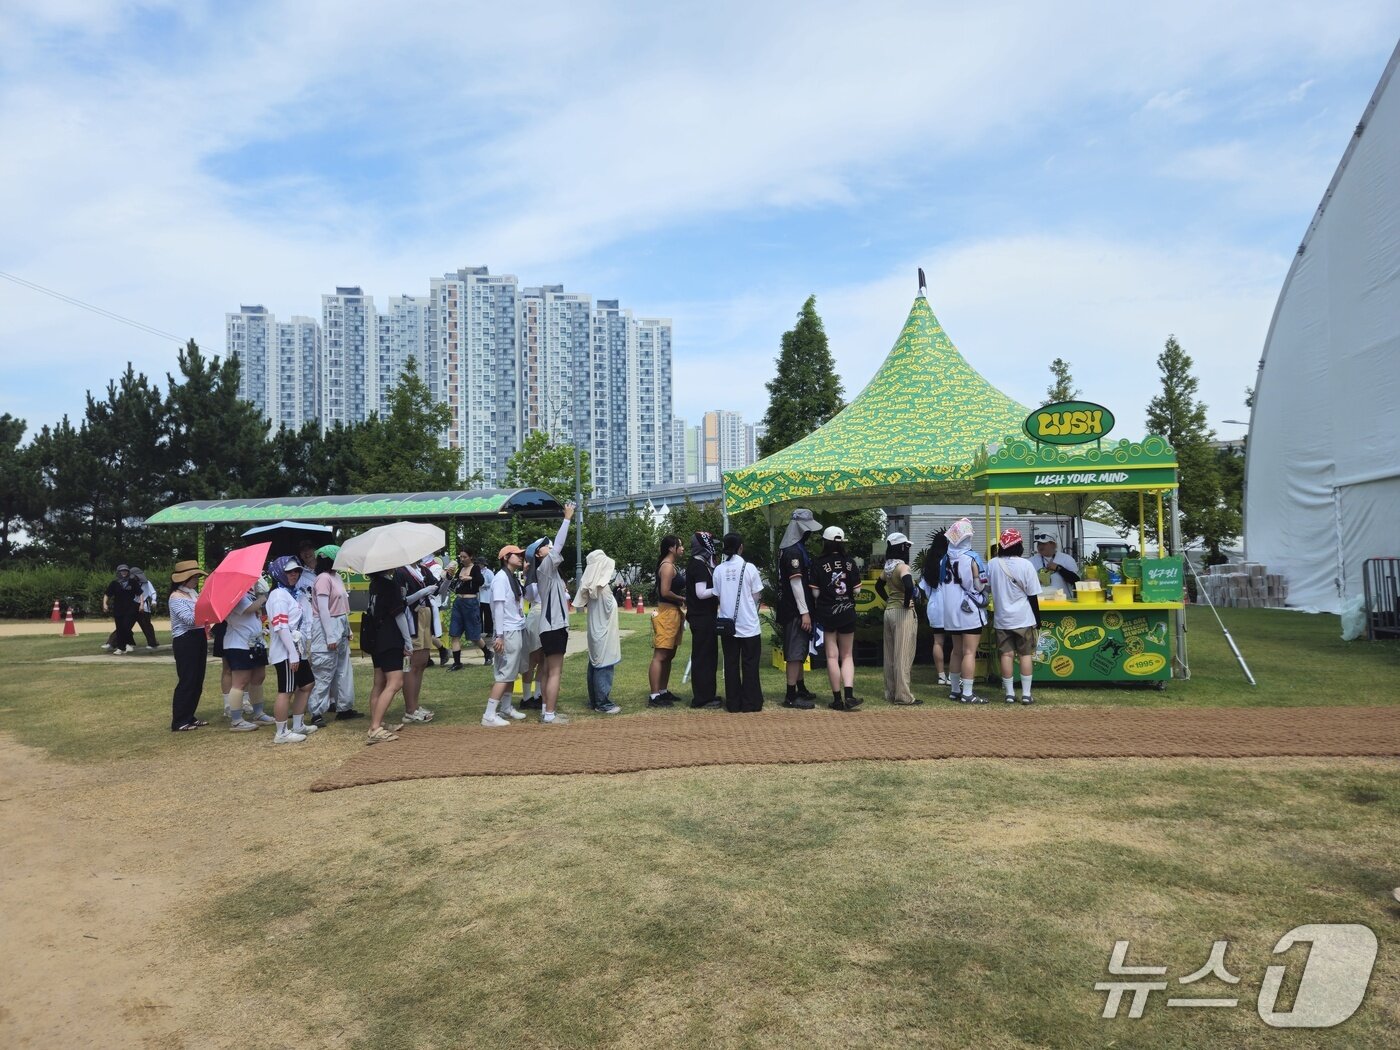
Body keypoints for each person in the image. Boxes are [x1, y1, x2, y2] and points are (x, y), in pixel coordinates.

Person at [523, 503, 576, 724]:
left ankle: (546, 710)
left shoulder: (545, 569)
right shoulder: (545, 566)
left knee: (546, 670)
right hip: (554, 627)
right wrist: (567, 518)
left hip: (549, 627)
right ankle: (550, 714)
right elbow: (560, 545)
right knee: (555, 672)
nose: (551, 546)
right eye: (546, 545)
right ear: (539, 553)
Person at [265, 557, 318, 743]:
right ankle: (281, 732)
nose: (294, 574)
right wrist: (292, 653)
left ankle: (298, 724)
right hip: (286, 651)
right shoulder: (278, 595)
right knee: (286, 690)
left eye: (296, 571)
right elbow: (281, 626)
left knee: (307, 684)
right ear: (279, 573)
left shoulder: (293, 593)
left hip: (297, 649)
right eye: (289, 571)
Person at [811, 526, 864, 711]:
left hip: (827, 612)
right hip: (847, 610)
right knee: (847, 655)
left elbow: (815, 593)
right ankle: (849, 695)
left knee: (832, 656)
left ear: (825, 542)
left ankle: (837, 699)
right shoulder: (850, 562)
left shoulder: (818, 563)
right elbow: (857, 590)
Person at [775, 509, 823, 709]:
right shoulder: (793, 551)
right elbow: (796, 584)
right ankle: (790, 695)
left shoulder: (792, 548)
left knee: (800, 650)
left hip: (795, 608)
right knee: (795, 653)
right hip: (795, 610)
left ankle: (800, 687)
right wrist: (804, 612)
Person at [988, 528, 1041, 705]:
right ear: (1019, 545)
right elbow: (1033, 595)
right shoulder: (1026, 565)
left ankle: (1009, 694)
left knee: (1006, 655)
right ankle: (1026, 694)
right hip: (1024, 618)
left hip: (1002, 618)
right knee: (1025, 655)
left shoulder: (993, 564)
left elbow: (986, 588)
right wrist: (1038, 620)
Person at [714, 532, 765, 712]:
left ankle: (733, 703)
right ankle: (751, 702)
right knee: (750, 664)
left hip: (728, 625)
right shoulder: (749, 567)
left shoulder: (718, 569)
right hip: (748, 624)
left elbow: (718, 595)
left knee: (731, 663)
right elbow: (756, 595)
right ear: (740, 547)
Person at [308, 545, 360, 722]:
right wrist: (330, 635)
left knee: (343, 669)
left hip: (340, 624)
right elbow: (323, 610)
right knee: (324, 670)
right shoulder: (323, 579)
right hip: (326, 626)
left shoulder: (336, 576)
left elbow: (342, 607)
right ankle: (316, 711)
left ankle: (344, 707)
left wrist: (348, 629)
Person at [941, 517, 989, 704]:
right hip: (969, 610)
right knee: (970, 652)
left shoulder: (944, 559)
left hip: (951, 610)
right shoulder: (972, 558)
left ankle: (954, 690)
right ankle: (967, 693)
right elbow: (979, 585)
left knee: (956, 650)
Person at [482, 544, 531, 726]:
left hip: (515, 627)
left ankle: (506, 707)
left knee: (512, 671)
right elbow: (499, 608)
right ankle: (489, 714)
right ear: (505, 557)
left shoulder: (510, 577)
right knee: (505, 673)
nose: (520, 557)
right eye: (516, 555)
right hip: (508, 630)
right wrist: (500, 636)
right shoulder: (501, 578)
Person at [364, 566, 413, 743]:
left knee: (379, 682)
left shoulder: (374, 584)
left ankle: (377, 722)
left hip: (375, 638)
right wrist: (408, 642)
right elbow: (399, 615)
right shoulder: (389, 585)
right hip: (390, 638)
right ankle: (376, 727)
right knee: (395, 682)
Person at [573, 548, 622, 714]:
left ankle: (596, 700)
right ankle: (602, 703)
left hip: (597, 631)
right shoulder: (602, 589)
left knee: (595, 664)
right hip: (604, 632)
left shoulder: (594, 588)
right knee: (603, 665)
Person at [397, 557, 442, 726]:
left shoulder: (423, 570)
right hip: (412, 618)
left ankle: (415, 706)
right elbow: (403, 600)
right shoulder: (401, 571)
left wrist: (448, 578)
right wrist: (424, 592)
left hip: (426, 615)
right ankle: (409, 709)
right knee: (412, 664)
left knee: (422, 662)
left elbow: (437, 590)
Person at [876, 532, 920, 705]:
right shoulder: (902, 567)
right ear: (902, 548)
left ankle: (891, 692)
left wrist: (888, 599)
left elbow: (879, 585)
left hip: (889, 612)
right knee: (903, 655)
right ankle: (903, 696)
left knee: (890, 655)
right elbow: (909, 584)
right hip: (903, 614)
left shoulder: (887, 567)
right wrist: (907, 601)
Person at [167, 560, 209, 731]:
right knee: (187, 679)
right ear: (185, 579)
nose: (196, 580)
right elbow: (190, 619)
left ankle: (189, 716)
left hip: (198, 636)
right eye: (194, 577)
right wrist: (206, 610)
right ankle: (179, 720)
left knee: (198, 679)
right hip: (185, 639)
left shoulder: (193, 594)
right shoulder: (176, 597)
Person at [684, 531, 723, 709]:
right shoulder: (698, 566)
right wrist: (719, 590)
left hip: (704, 617)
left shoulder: (699, 564)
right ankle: (702, 698)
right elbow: (701, 593)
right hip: (702, 618)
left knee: (708, 656)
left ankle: (708, 694)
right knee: (703, 657)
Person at [648, 534, 686, 708]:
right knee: (660, 655)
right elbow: (665, 591)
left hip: (673, 612)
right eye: (680, 545)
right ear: (672, 548)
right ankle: (654, 695)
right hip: (667, 613)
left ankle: (663, 691)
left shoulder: (671, 565)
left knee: (669, 654)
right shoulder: (667, 567)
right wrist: (682, 598)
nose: (683, 548)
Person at [446, 549, 491, 670]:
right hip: (458, 602)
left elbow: (481, 581)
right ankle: (457, 662)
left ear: (471, 557)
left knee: (474, 634)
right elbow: (453, 584)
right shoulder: (459, 569)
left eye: (464, 557)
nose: (462, 559)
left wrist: (470, 578)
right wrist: (449, 575)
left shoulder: (475, 568)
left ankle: (487, 653)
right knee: (454, 633)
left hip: (470, 603)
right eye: (460, 557)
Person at [917, 529, 951, 688]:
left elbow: (923, 589)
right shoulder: (951, 560)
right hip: (952, 605)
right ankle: (954, 675)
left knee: (938, 642)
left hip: (935, 606)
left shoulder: (928, 563)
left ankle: (940, 675)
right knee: (957, 643)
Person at [102, 564, 140, 654]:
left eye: (125, 571)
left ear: (128, 572)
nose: (124, 572)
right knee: (120, 629)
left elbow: (140, 593)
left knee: (126, 627)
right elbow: (107, 594)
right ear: (118, 572)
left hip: (130, 609)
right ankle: (121, 647)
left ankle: (128, 644)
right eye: (122, 571)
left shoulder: (132, 582)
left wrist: (141, 604)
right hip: (118, 609)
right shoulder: (114, 583)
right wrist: (105, 604)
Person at [1030, 531, 1080, 597]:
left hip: (1062, 603)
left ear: (1053, 544)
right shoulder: (1031, 561)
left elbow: (1076, 580)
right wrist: (1034, 581)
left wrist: (1059, 568)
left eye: (1043, 544)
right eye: (1038, 544)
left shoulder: (1067, 559)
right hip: (1040, 603)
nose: (1040, 546)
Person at [129, 567, 160, 649]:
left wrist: (154, 600)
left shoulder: (147, 583)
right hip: (132, 606)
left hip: (144, 607)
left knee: (147, 625)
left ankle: (152, 643)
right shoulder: (129, 583)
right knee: (125, 624)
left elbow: (152, 592)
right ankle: (112, 643)